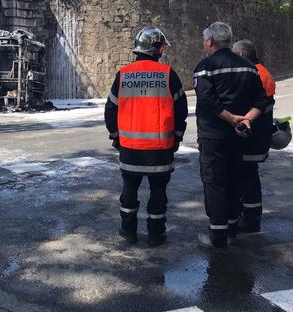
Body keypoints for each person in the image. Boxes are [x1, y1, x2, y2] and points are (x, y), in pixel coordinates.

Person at [105, 26, 188, 246]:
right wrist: (177, 137)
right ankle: (155, 234)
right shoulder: (168, 74)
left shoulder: (123, 75)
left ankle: (128, 231)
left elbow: (110, 109)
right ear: (157, 49)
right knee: (158, 192)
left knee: (129, 190)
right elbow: (181, 109)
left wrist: (115, 136)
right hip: (160, 149)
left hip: (130, 148)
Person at [193, 22, 269, 248]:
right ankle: (233, 228)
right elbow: (262, 100)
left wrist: (231, 118)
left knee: (215, 183)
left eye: (204, 40)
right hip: (241, 136)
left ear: (209, 41)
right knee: (235, 180)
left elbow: (207, 102)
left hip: (213, 136)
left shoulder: (205, 66)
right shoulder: (249, 66)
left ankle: (217, 236)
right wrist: (246, 119)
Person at [232, 39, 275, 233]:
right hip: (259, 136)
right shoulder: (262, 71)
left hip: (251, 138)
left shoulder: (254, 73)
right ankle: (249, 215)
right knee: (248, 176)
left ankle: (250, 219)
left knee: (247, 178)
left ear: (241, 55)